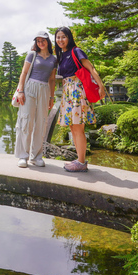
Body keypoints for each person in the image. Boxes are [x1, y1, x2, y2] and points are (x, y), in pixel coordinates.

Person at [54, 26, 106, 172]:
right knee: (72, 126)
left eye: (63, 36)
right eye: (58, 37)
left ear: (69, 37)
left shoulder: (76, 51)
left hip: (77, 91)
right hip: (67, 92)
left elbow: (91, 69)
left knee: (78, 128)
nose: (60, 40)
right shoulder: (62, 56)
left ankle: (82, 163)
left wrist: (101, 86)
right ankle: (79, 159)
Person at [13, 31, 57, 168]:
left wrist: (51, 97)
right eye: (38, 41)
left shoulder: (53, 59)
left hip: (44, 89)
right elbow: (24, 73)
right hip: (29, 88)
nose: (40, 43)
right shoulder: (32, 55)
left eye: (43, 40)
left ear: (48, 42)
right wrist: (20, 91)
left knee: (41, 123)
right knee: (26, 121)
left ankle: (36, 156)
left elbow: (52, 79)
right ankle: (23, 156)